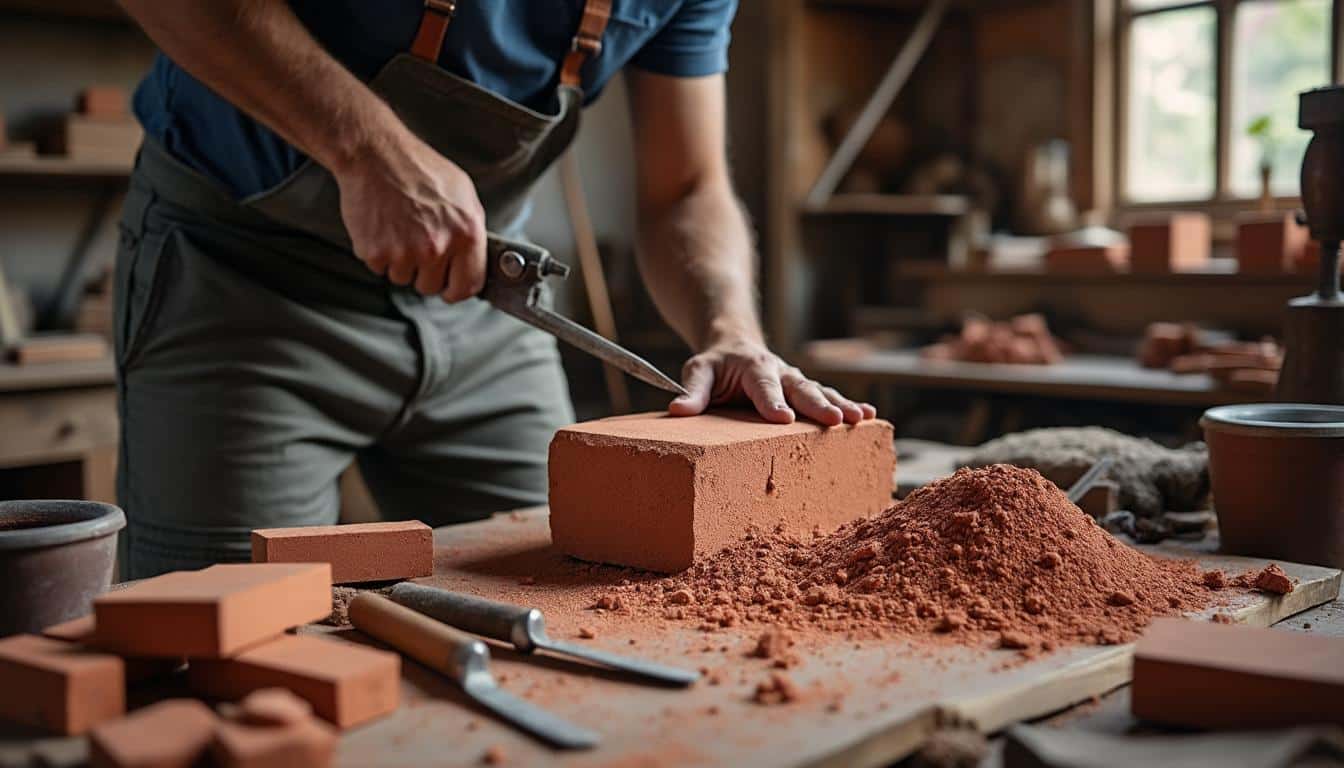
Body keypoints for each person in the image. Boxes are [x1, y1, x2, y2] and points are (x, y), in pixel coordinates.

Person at [113, 0, 877, 578]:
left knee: (578, 592)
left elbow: (685, 188)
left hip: (481, 303)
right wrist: (366, 148)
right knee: (228, 650)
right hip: (244, 278)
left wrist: (729, 328)